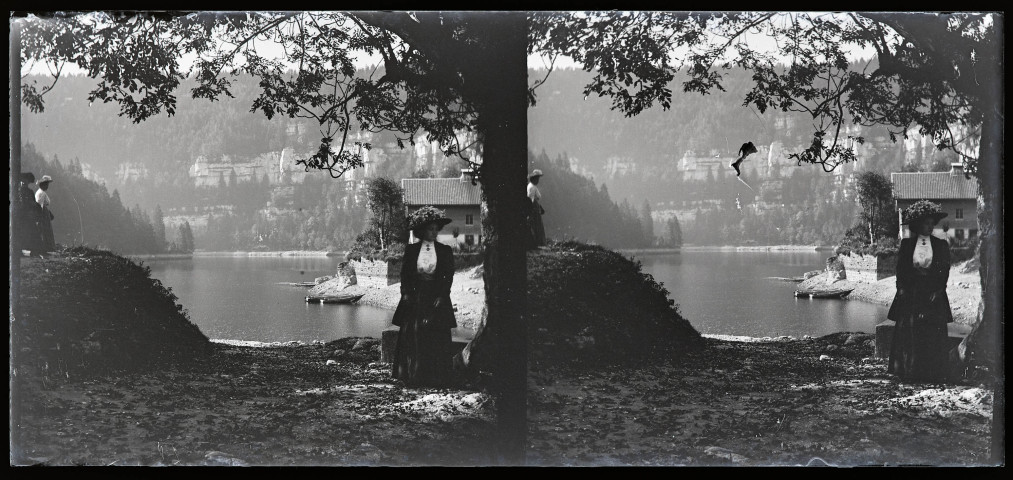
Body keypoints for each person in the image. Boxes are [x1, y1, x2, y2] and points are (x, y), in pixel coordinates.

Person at [887, 199, 954, 383]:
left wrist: (939, 290)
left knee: (932, 332)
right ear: (918, 225)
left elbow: (944, 270)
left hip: (933, 293)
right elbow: (901, 270)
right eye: (926, 223)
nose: (930, 227)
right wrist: (902, 290)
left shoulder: (940, 245)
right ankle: (909, 371)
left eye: (932, 224)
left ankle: (932, 372)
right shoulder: (907, 244)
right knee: (910, 330)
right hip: (911, 293)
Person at [391, 206, 457, 387]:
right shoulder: (412, 250)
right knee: (415, 334)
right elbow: (405, 275)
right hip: (416, 296)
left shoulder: (444, 250)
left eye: (436, 229)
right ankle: (413, 376)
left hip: (436, 296)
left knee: (436, 336)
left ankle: (437, 378)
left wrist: (442, 296)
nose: (434, 233)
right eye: (430, 229)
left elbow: (448, 276)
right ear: (422, 231)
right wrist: (406, 295)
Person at [17, 172, 44, 256]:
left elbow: (32, 202)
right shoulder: (20, 191)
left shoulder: (27, 191)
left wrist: (34, 205)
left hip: (27, 214)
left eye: (26, 181)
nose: (24, 182)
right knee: (25, 232)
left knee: (30, 232)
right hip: (23, 214)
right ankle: (27, 250)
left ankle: (34, 250)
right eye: (23, 181)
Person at [35, 175, 56, 253]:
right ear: (42, 184)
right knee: (45, 229)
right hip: (43, 212)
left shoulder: (39, 192)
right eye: (46, 184)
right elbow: (40, 204)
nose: (47, 186)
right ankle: (47, 247)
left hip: (43, 211)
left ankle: (44, 246)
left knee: (43, 229)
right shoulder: (42, 193)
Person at [527, 169, 546, 248]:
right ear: (534, 179)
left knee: (536, 224)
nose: (538, 180)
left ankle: (537, 242)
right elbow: (531, 198)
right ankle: (537, 242)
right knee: (536, 224)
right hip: (534, 207)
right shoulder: (532, 187)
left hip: (535, 206)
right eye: (537, 178)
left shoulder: (531, 186)